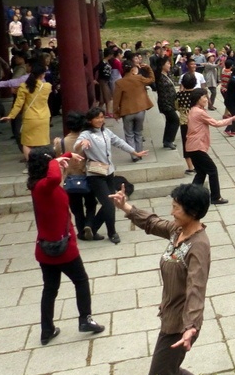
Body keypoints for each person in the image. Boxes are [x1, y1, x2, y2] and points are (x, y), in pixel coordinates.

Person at [111, 183, 211, 375]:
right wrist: (126, 207)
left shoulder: (198, 245)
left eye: (176, 208)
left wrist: (191, 326)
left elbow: (196, 288)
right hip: (169, 314)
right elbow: (153, 223)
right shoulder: (178, 231)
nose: (172, 212)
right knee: (168, 370)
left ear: (192, 212)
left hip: (180, 325)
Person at [27, 146, 105, 346]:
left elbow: (53, 175)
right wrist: (55, 159)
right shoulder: (45, 185)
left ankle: (47, 330)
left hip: (45, 249)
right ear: (47, 164)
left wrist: (65, 156)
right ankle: (85, 319)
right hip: (64, 248)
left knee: (50, 289)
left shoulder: (36, 186)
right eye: (51, 161)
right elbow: (54, 177)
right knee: (81, 280)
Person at [76, 107, 148, 243]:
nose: (100, 120)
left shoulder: (106, 132)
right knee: (109, 204)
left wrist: (134, 152)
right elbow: (76, 145)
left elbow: (119, 142)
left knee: (112, 202)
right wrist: (82, 144)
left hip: (109, 172)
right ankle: (111, 233)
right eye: (97, 118)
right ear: (90, 120)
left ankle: (91, 228)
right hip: (95, 174)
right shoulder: (86, 134)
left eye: (102, 117)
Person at [185, 89, 235, 205]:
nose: (206, 100)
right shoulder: (199, 112)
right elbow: (216, 123)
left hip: (192, 146)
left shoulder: (193, 110)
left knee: (201, 173)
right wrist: (232, 119)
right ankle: (215, 197)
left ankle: (189, 197)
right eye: (204, 98)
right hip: (197, 146)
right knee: (212, 170)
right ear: (198, 99)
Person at [54, 111, 97, 239]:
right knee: (91, 204)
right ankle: (89, 224)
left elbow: (58, 159)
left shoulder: (61, 142)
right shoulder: (86, 140)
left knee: (76, 209)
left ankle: (81, 231)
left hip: (70, 179)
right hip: (86, 176)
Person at [0, 61, 51, 161]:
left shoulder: (24, 86)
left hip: (30, 118)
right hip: (44, 117)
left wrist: (11, 116)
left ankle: (31, 166)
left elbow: (18, 104)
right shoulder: (47, 86)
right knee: (43, 142)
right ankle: (43, 164)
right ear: (42, 74)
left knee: (27, 144)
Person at [112, 60, 154, 162]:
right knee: (138, 133)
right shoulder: (139, 78)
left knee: (129, 134)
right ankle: (140, 153)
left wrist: (116, 113)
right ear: (132, 69)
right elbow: (151, 79)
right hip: (140, 110)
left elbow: (116, 100)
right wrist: (148, 68)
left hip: (127, 112)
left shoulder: (119, 83)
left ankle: (134, 155)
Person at [155, 55, 179, 150]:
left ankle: (167, 141)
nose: (169, 65)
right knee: (175, 120)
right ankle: (169, 140)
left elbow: (174, 70)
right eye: (168, 63)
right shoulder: (160, 77)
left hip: (171, 103)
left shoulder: (166, 75)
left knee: (170, 121)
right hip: (165, 103)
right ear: (162, 65)